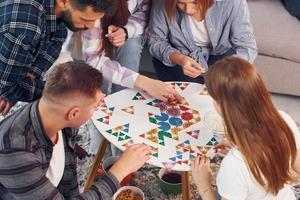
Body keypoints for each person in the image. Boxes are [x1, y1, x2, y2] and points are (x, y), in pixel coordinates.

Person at [0, 61, 152, 200]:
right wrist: (120, 170)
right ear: (74, 114)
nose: (101, 107)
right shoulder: (15, 153)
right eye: (96, 106)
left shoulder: (54, 106)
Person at [191, 57, 300, 200]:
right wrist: (242, 147)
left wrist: (203, 185)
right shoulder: (284, 120)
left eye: (213, 98)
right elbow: (296, 167)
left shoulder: (233, 166)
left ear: (223, 107)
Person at [0, 0, 117, 116]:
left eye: (95, 20)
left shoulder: (56, 10)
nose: (90, 26)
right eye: (85, 19)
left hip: (13, 58)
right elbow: (7, 87)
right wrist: (69, 93)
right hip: (5, 67)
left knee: (66, 65)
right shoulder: (24, 27)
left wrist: (32, 74)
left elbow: (56, 41)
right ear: (63, 2)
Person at [148, 0, 257, 84]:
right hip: (182, 59)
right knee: (185, 102)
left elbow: (246, 46)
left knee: (223, 96)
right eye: (180, 3)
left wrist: (227, 74)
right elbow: (156, 41)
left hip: (222, 58)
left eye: (194, 2)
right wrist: (180, 59)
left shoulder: (232, 3)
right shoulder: (163, 2)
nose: (188, 10)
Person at [105, 0, 151, 93]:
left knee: (130, 46)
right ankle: (99, 96)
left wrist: (125, 31)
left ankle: (122, 96)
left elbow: (145, 12)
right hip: (98, 23)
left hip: (132, 27)